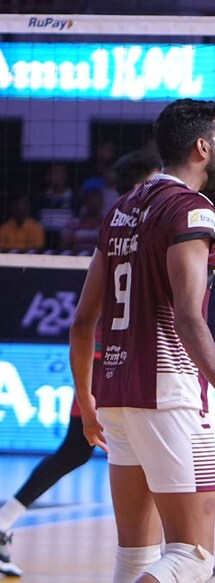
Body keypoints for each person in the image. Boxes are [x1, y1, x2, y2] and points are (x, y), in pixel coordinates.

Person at [67, 100, 215, 583]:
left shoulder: (123, 208)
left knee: (136, 556)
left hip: (114, 396)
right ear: (201, 146)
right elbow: (189, 318)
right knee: (192, 557)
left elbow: (84, 320)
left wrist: (87, 401)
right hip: (168, 393)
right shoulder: (192, 210)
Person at [0, 148, 162, 578]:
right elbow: (86, 319)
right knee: (90, 447)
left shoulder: (130, 228)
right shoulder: (127, 231)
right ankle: (181, 547)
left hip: (126, 356)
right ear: (138, 187)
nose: (162, 188)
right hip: (113, 358)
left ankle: (2, 522)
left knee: (86, 449)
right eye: (154, 181)